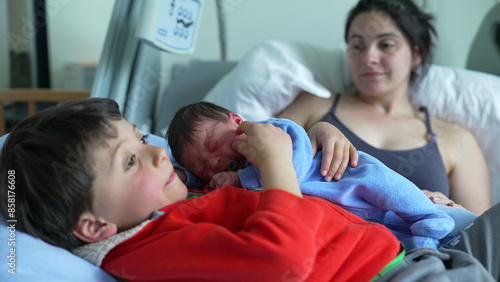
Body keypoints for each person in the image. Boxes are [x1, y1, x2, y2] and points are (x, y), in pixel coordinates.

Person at [0, 97, 498, 281]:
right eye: (130, 160)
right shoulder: (151, 248)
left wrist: (318, 135)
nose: (156, 152)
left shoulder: (177, 203)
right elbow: (282, 259)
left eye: (138, 137)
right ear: (94, 226)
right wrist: (278, 163)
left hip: (410, 254)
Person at [166, 101, 483, 250]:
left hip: (353, 180)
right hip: (353, 219)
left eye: (213, 145)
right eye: (207, 165)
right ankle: (422, 244)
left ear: (237, 120)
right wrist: (194, 177)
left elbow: (294, 163)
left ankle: (428, 217)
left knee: (393, 191)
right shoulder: (230, 181)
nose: (218, 160)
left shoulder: (272, 131)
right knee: (387, 234)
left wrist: (240, 179)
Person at [277, 0, 491, 215]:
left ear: (417, 54)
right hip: (314, 236)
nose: (369, 58)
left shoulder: (454, 139)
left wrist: (451, 210)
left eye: (386, 45)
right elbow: (255, 157)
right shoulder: (316, 105)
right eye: (357, 46)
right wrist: (306, 135)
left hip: (418, 247)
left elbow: (481, 236)